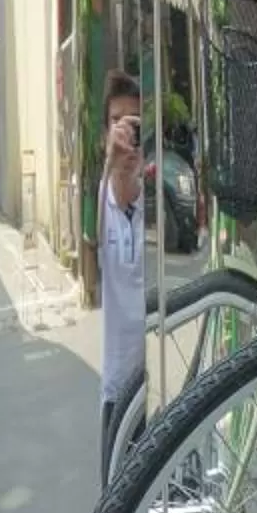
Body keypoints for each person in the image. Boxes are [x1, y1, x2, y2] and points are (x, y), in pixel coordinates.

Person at [97, 70, 146, 463]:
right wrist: (110, 164)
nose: (126, 131)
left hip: (159, 388)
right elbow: (93, 240)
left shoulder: (158, 205)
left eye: (134, 122)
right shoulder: (99, 205)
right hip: (117, 390)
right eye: (117, 122)